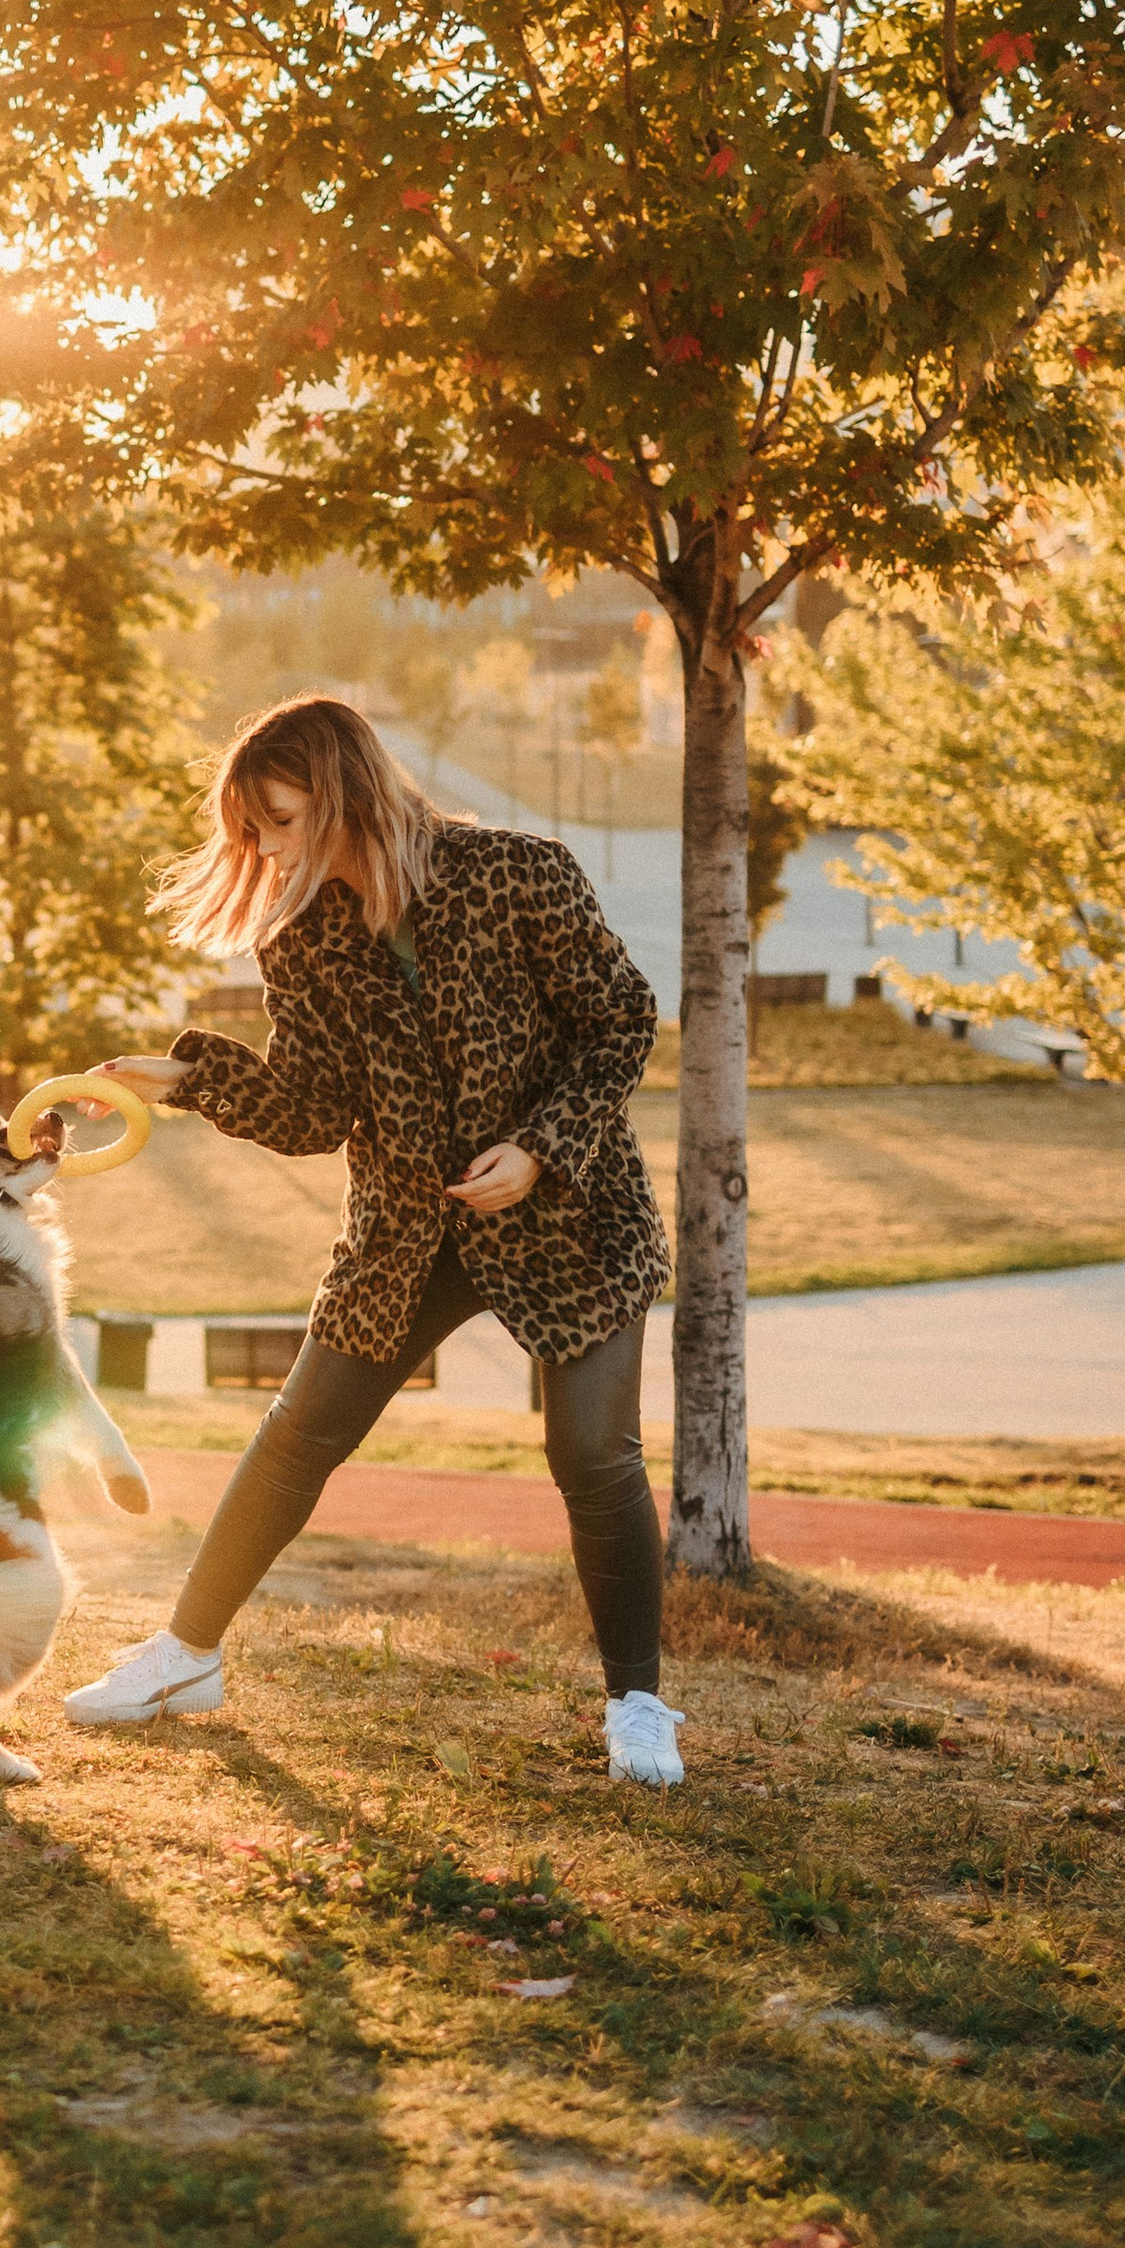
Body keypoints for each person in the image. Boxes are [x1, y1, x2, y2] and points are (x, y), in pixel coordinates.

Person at [69, 691, 687, 1784]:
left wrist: (540, 1148)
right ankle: (184, 1656)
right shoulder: (301, 938)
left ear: (346, 792)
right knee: (296, 1433)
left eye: (279, 816)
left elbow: (619, 1019)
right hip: (404, 1228)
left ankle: (638, 1705)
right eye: (249, 827)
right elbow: (311, 1110)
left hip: (565, 1218)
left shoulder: (518, 874)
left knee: (591, 1456)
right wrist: (193, 1078)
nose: (261, 845)